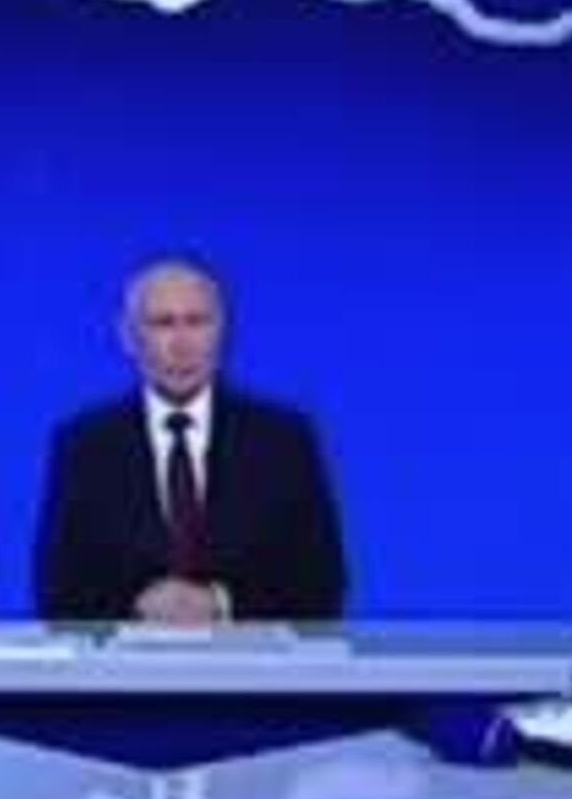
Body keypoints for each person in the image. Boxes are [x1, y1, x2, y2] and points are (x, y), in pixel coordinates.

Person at [33, 259, 346, 624]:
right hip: (129, 659)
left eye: (197, 322)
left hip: (250, 659)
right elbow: (58, 592)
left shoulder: (283, 441)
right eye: (162, 323)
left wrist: (220, 603)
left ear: (223, 332)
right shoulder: (85, 445)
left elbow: (322, 585)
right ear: (128, 337)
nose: (182, 344)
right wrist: (139, 606)